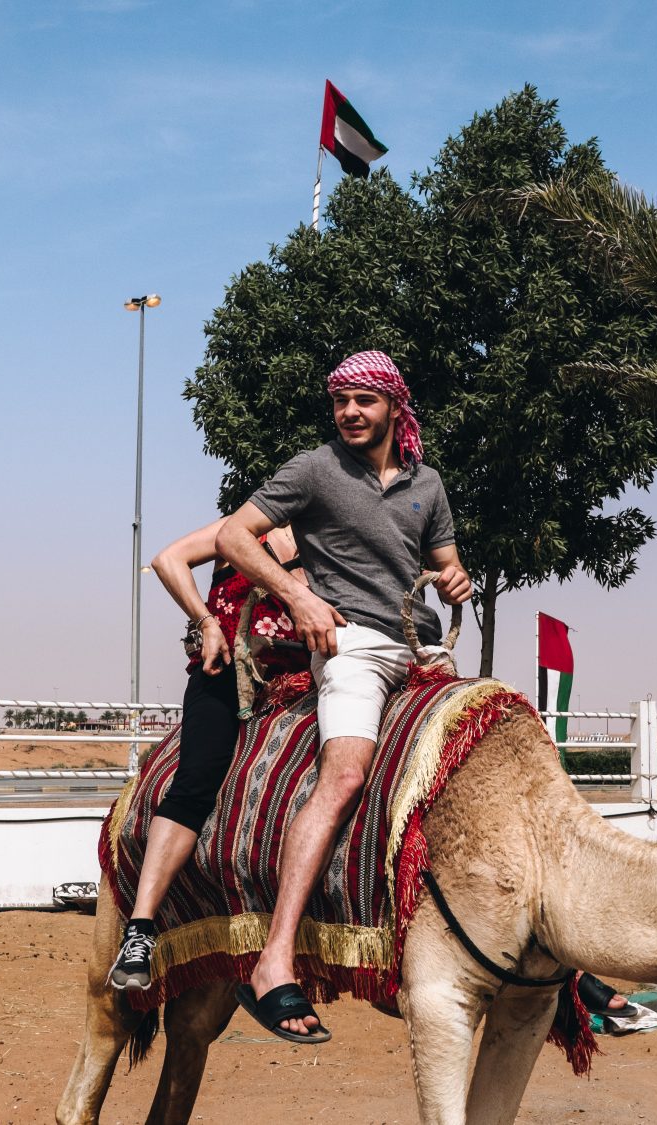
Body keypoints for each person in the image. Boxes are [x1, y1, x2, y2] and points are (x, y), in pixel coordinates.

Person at [217, 349, 471, 1044]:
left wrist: (456, 581)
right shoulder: (315, 468)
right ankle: (273, 960)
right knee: (347, 775)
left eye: (364, 401)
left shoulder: (429, 484)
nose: (350, 413)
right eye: (341, 402)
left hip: (421, 650)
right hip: (351, 646)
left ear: (395, 406)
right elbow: (234, 534)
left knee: (485, 754)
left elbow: (446, 565)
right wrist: (297, 594)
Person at [106, 519, 307, 991]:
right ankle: (141, 929)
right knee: (196, 781)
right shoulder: (242, 529)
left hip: (301, 685)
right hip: (225, 675)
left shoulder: (334, 543)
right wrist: (207, 622)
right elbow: (166, 559)